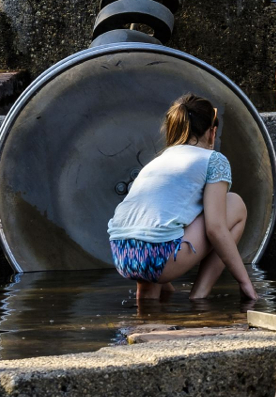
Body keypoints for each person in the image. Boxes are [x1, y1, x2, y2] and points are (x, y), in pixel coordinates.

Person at [107, 93, 258, 302]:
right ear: (212, 133)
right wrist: (244, 281)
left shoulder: (158, 162)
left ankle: (148, 309)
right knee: (235, 204)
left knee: (158, 234)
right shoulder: (214, 160)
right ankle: (199, 296)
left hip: (122, 255)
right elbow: (215, 228)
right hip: (158, 258)